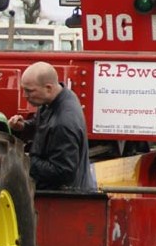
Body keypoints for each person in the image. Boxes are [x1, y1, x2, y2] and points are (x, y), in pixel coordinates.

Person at [7, 62, 96, 191]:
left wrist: (24, 160)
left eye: (29, 91)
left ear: (48, 88)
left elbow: (62, 171)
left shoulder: (64, 123)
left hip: (65, 196)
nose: (25, 95)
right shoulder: (57, 98)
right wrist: (23, 127)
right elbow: (42, 124)